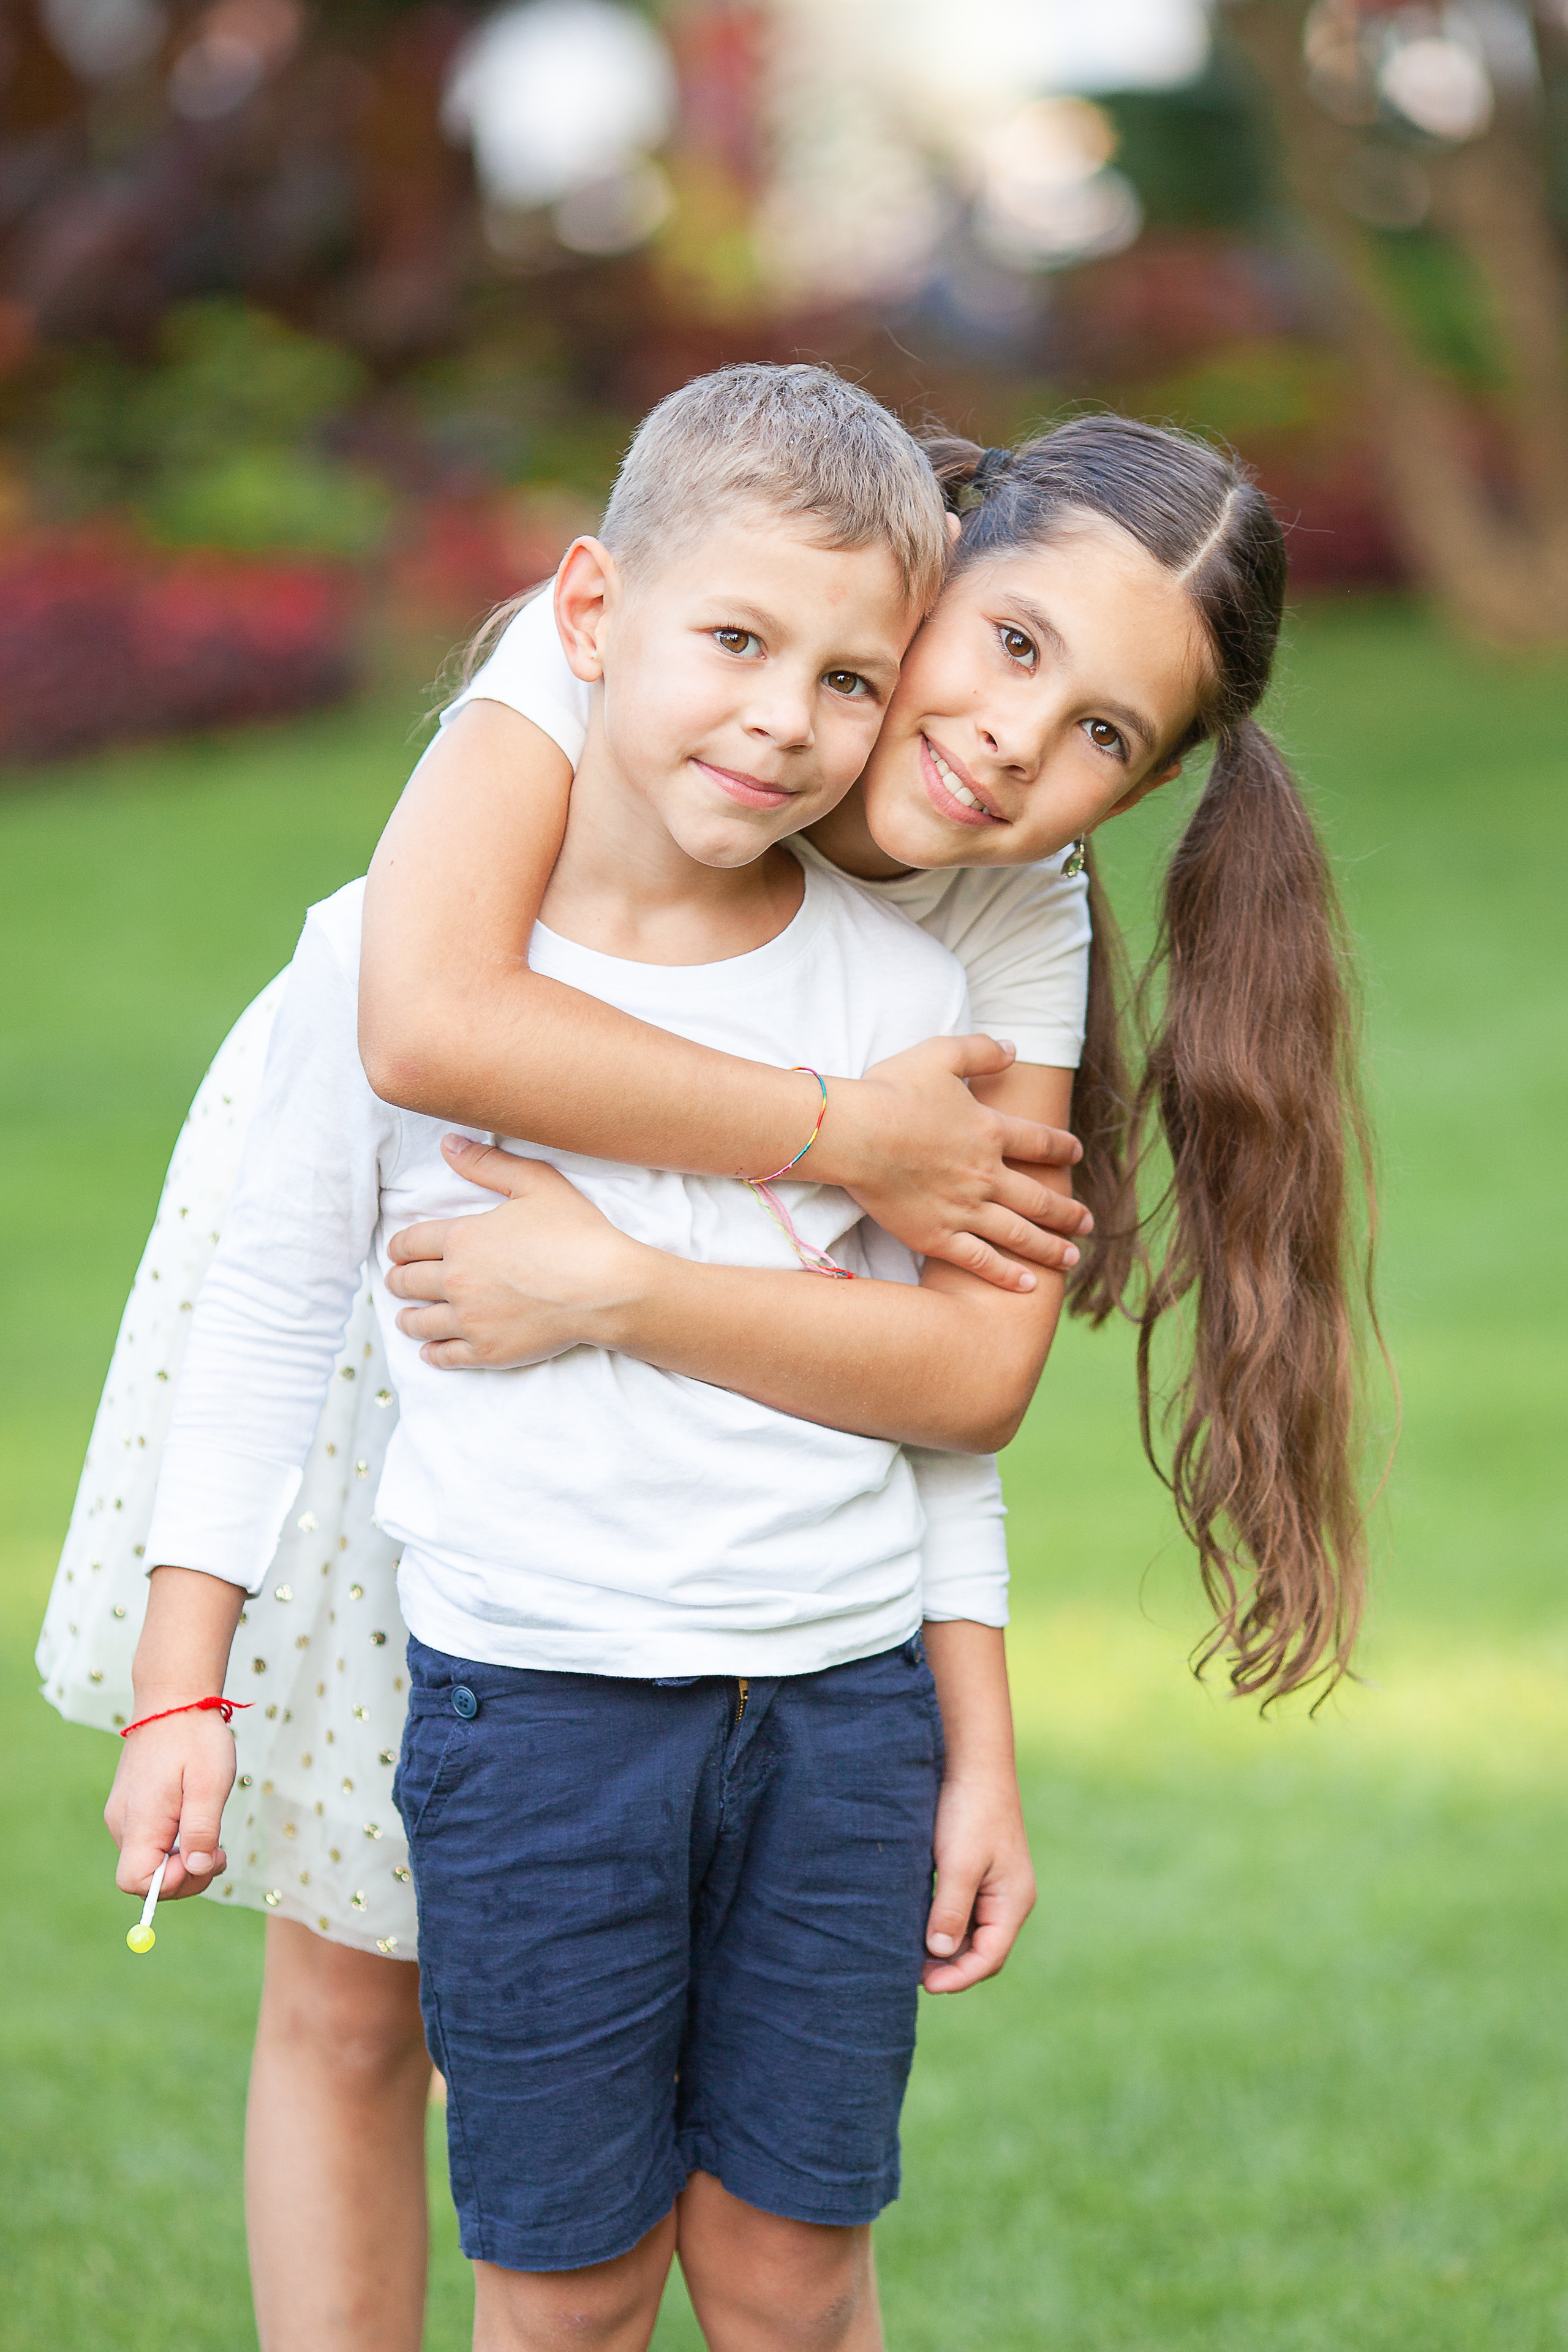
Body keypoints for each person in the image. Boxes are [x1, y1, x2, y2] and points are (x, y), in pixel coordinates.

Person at [44, 386, 1374, 2348]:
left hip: (717, 1473)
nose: (1014, 736)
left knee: (746, 2217)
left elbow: (960, 1378)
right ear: (934, 572)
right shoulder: (626, 649)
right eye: (1008, 644)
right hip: (403, 1277)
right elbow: (423, 1024)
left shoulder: (1001, 931)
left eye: (1106, 731)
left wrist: (629, 1287)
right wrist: (846, 1133)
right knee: (349, 1984)